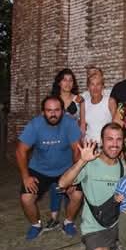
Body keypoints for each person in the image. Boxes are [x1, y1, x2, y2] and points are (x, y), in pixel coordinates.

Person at [16, 96, 82, 240]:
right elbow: (20, 151)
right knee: (26, 199)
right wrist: (26, 177)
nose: (53, 114)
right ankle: (36, 225)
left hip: (65, 169)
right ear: (43, 112)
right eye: (49, 110)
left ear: (63, 111)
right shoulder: (35, 125)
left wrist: (74, 177)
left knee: (77, 195)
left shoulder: (70, 124)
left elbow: (76, 151)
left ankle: (68, 222)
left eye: (57, 110)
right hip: (40, 169)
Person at [48, 68, 85, 231]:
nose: (68, 83)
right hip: (57, 144)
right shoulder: (52, 101)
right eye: (64, 79)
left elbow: (82, 124)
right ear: (59, 82)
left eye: (71, 80)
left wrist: (80, 144)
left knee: (71, 179)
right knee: (55, 179)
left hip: (74, 145)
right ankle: (53, 217)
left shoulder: (79, 100)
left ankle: (69, 219)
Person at [82, 68, 114, 145]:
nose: (95, 88)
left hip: (106, 145)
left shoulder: (110, 101)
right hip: (89, 145)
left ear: (102, 86)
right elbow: (82, 127)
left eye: (98, 84)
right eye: (92, 84)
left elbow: (115, 126)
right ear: (88, 87)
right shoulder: (84, 102)